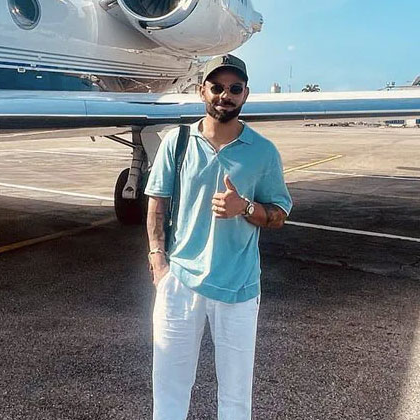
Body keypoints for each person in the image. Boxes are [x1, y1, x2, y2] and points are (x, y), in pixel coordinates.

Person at [144, 54, 293, 420]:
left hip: (238, 288)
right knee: (169, 388)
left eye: (234, 88)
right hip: (180, 284)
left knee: (236, 396)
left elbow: (279, 214)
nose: (225, 95)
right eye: (217, 87)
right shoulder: (177, 143)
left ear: (245, 94)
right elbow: (157, 204)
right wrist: (159, 262)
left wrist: (245, 207)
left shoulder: (263, 152)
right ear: (202, 91)